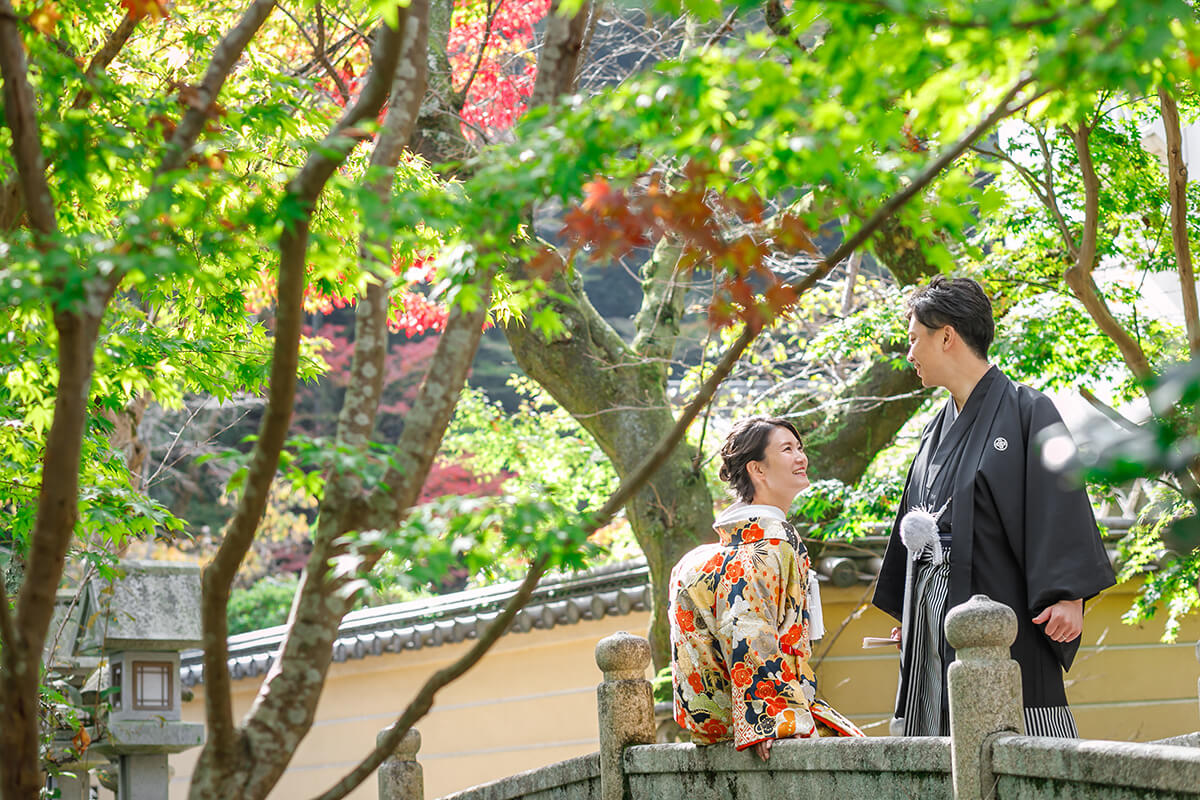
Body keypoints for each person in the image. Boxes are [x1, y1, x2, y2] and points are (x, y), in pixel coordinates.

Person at [873, 276, 1116, 738]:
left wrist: (1069, 593)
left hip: (1003, 611)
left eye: (913, 340)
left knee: (1014, 733)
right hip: (934, 623)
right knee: (934, 740)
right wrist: (910, 611)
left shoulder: (1028, 411)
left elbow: (1060, 499)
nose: (909, 355)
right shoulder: (933, 431)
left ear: (946, 336)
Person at [669, 416, 865, 761]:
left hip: (725, 720)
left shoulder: (718, 554)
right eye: (787, 449)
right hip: (768, 715)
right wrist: (768, 719)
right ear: (757, 470)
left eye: (800, 448)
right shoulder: (766, 546)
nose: (801, 457)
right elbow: (748, 626)